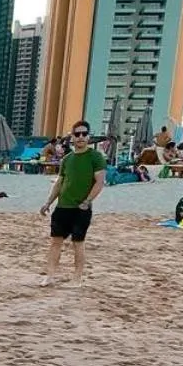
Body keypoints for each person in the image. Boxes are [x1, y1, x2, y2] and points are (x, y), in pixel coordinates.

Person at [39, 120, 108, 281]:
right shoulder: (67, 159)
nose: (81, 137)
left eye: (84, 134)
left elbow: (99, 182)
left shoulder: (96, 157)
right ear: (73, 137)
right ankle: (50, 276)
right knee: (56, 242)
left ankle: (77, 278)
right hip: (63, 206)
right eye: (77, 134)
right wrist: (48, 202)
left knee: (78, 242)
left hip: (81, 208)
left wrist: (87, 201)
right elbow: (60, 182)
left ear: (88, 136)